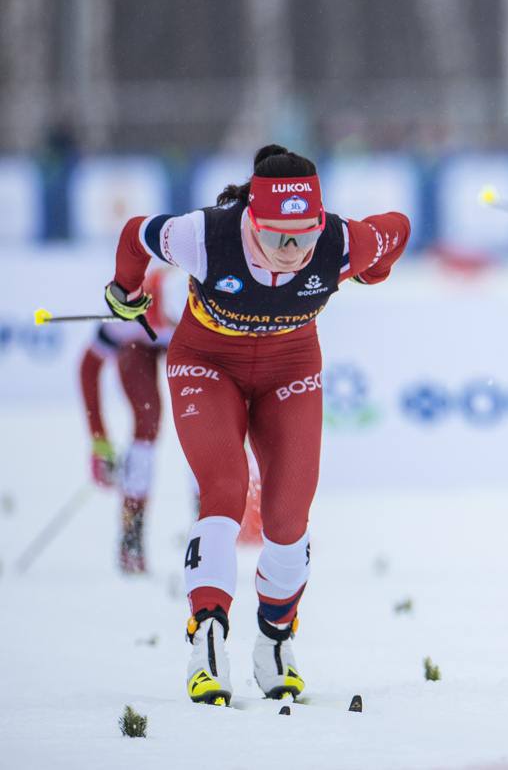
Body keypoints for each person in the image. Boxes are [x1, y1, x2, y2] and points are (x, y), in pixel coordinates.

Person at [105, 144, 410, 705]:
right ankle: (209, 637)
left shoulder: (343, 243)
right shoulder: (205, 235)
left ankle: (274, 638)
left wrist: (376, 272)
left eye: (304, 235)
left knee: (288, 518)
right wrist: (124, 292)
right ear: (251, 219)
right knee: (222, 490)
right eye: (275, 236)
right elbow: (133, 235)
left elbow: (398, 227)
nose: (292, 250)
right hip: (206, 365)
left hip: (289, 372)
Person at [79, 266, 174, 573]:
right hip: (137, 347)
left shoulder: (201, 307)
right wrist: (100, 440)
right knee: (148, 421)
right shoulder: (129, 316)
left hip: (192, 340)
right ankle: (131, 538)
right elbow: (89, 367)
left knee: (205, 423)